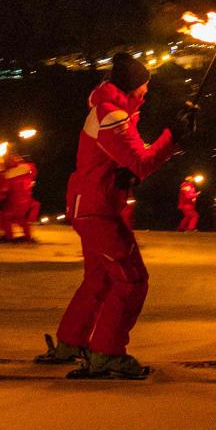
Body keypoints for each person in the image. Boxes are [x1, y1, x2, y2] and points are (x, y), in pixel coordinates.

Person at [36, 52, 194, 378]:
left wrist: (128, 171)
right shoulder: (111, 115)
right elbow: (141, 161)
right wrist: (173, 137)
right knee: (132, 280)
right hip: (98, 210)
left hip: (91, 205)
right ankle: (106, 352)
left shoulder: (112, 112)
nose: (147, 93)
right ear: (132, 87)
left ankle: (71, 341)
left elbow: (120, 161)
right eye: (145, 87)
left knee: (99, 278)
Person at [0, 152, 36, 242]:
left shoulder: (9, 175)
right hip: (26, 199)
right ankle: (27, 236)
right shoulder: (26, 169)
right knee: (20, 218)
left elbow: (5, 189)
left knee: (6, 217)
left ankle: (9, 236)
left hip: (16, 201)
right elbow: (33, 172)